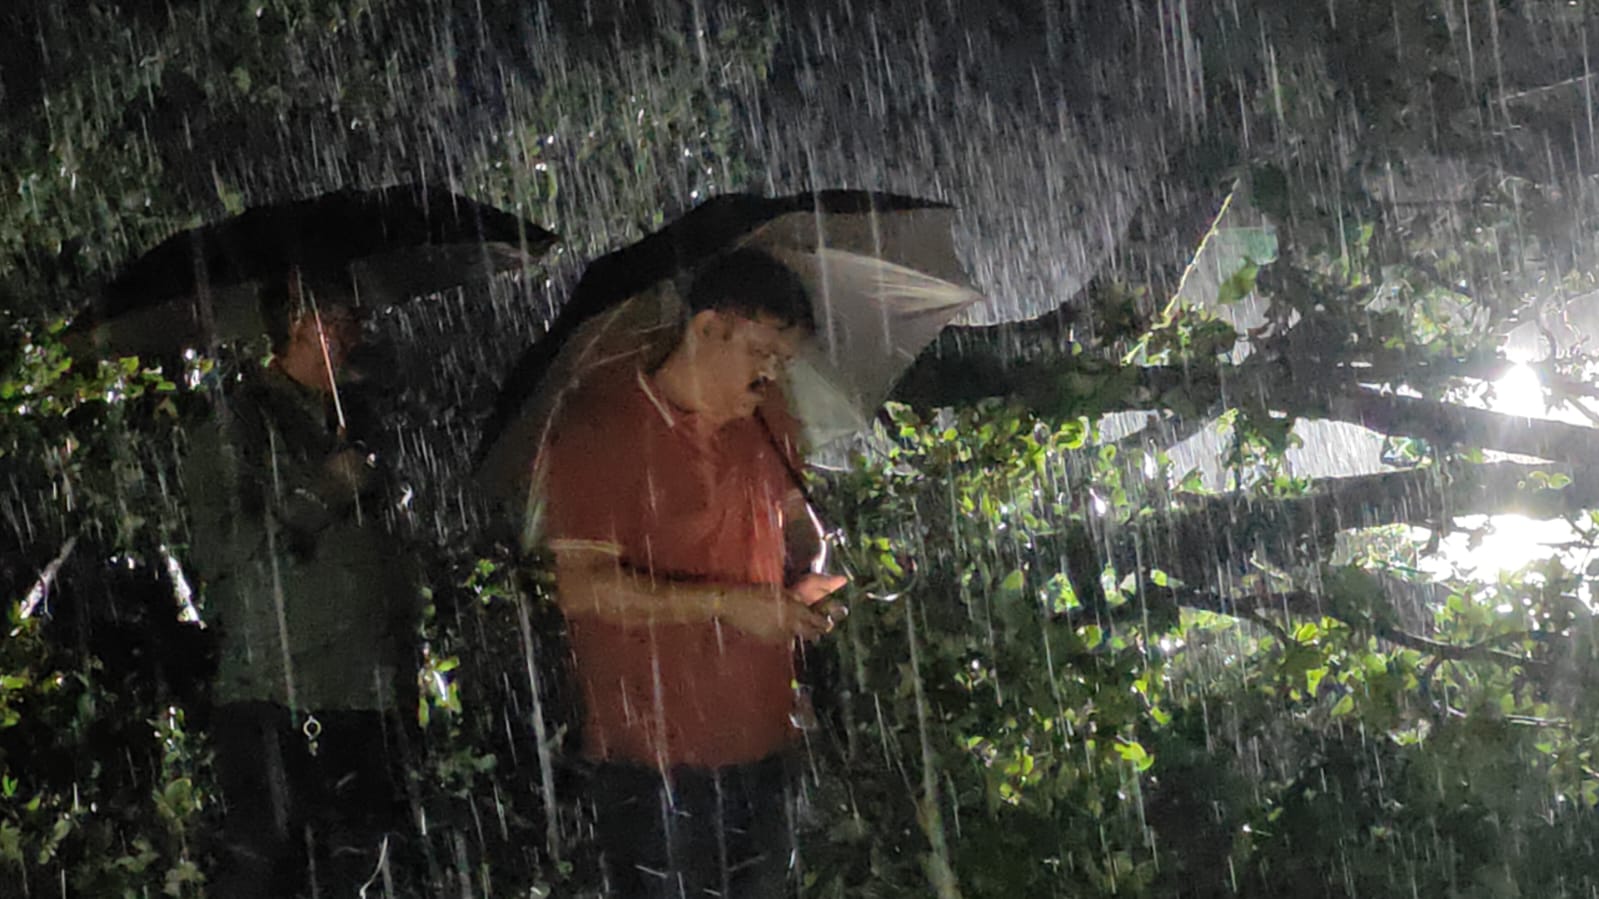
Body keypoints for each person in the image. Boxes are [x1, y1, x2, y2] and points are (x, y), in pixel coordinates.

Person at [537, 248, 849, 898]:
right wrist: (726, 604)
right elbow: (582, 585)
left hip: (765, 741)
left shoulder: (769, 418)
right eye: (761, 352)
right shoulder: (600, 426)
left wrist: (808, 577)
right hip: (654, 762)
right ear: (707, 327)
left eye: (782, 360)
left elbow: (799, 526)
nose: (771, 374)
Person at [182, 304, 420, 898]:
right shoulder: (238, 424)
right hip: (279, 705)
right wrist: (323, 491)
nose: (354, 333)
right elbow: (224, 554)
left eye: (357, 317)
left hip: (369, 699)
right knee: (269, 878)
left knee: (356, 876)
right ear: (296, 322)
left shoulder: (362, 418)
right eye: (338, 318)